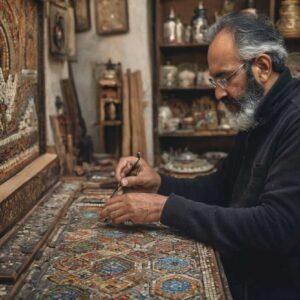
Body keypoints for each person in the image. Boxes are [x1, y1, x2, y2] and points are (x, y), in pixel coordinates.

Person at [101, 12, 300, 300]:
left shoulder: (294, 119)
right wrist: (158, 184)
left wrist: (163, 209)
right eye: (214, 81)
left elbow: (276, 226)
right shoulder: (258, 113)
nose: (218, 94)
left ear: (263, 67)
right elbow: (221, 187)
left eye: (225, 78)